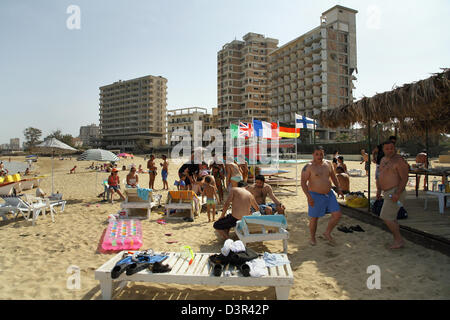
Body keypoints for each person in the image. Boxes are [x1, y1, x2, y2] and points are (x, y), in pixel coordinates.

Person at [301, 146, 343, 246]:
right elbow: (303, 182)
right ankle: (312, 237)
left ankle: (327, 232)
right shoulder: (309, 166)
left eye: (321, 154)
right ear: (313, 155)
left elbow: (333, 176)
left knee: (337, 215)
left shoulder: (328, 164)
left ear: (324, 154)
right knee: (314, 218)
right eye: (317, 154)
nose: (319, 156)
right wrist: (309, 197)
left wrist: (339, 188)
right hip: (315, 195)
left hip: (329, 194)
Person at [376, 140, 409, 249]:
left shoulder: (399, 161)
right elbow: (381, 175)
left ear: (394, 148)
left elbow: (404, 179)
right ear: (383, 149)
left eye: (391, 148)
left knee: (386, 217)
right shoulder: (383, 159)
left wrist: (397, 193)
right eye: (387, 148)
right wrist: (379, 191)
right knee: (392, 217)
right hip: (386, 192)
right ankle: (398, 240)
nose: (390, 150)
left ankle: (399, 240)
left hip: (395, 192)